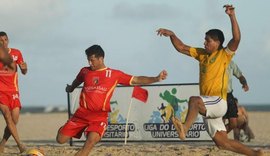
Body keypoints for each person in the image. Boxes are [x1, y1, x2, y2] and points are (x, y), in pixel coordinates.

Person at [156, 4, 262, 156]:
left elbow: (237, 38)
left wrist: (232, 16)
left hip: (218, 102)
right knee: (222, 143)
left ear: (218, 43)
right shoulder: (201, 54)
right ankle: (255, 154)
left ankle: (184, 129)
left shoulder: (224, 54)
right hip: (209, 104)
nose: (204, 42)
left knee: (194, 101)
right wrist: (172, 34)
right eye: (204, 40)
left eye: (208, 40)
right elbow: (181, 47)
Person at [56, 44, 167, 155]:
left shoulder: (114, 74)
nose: (90, 63)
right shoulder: (85, 71)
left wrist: (156, 78)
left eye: (92, 60)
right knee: (60, 140)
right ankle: (64, 128)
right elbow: (78, 80)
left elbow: (136, 79)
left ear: (101, 58)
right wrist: (71, 88)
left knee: (90, 142)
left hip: (99, 116)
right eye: (88, 60)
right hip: (82, 114)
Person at [0, 32, 27, 152]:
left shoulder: (16, 53)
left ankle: (2, 143)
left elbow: (24, 71)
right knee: (7, 115)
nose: (3, 42)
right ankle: (20, 145)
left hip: (14, 90)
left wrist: (24, 68)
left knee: (14, 119)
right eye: (0, 40)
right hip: (1, 91)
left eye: (5, 40)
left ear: (8, 40)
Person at [223, 60, 249, 134]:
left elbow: (240, 76)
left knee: (233, 123)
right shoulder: (214, 61)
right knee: (222, 119)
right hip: (218, 94)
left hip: (229, 94)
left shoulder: (231, 63)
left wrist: (244, 83)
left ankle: (221, 136)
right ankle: (221, 138)